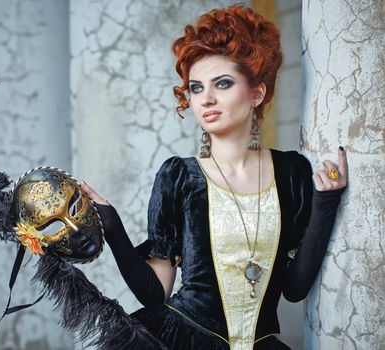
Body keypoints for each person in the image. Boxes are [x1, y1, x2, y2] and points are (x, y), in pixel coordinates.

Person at [81, 3, 348, 349]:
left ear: (256, 93)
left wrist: (326, 201)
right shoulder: (178, 177)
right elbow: (155, 293)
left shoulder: (292, 172)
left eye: (222, 84)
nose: (206, 99)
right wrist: (113, 228)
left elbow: (295, 289)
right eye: (195, 88)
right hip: (184, 338)